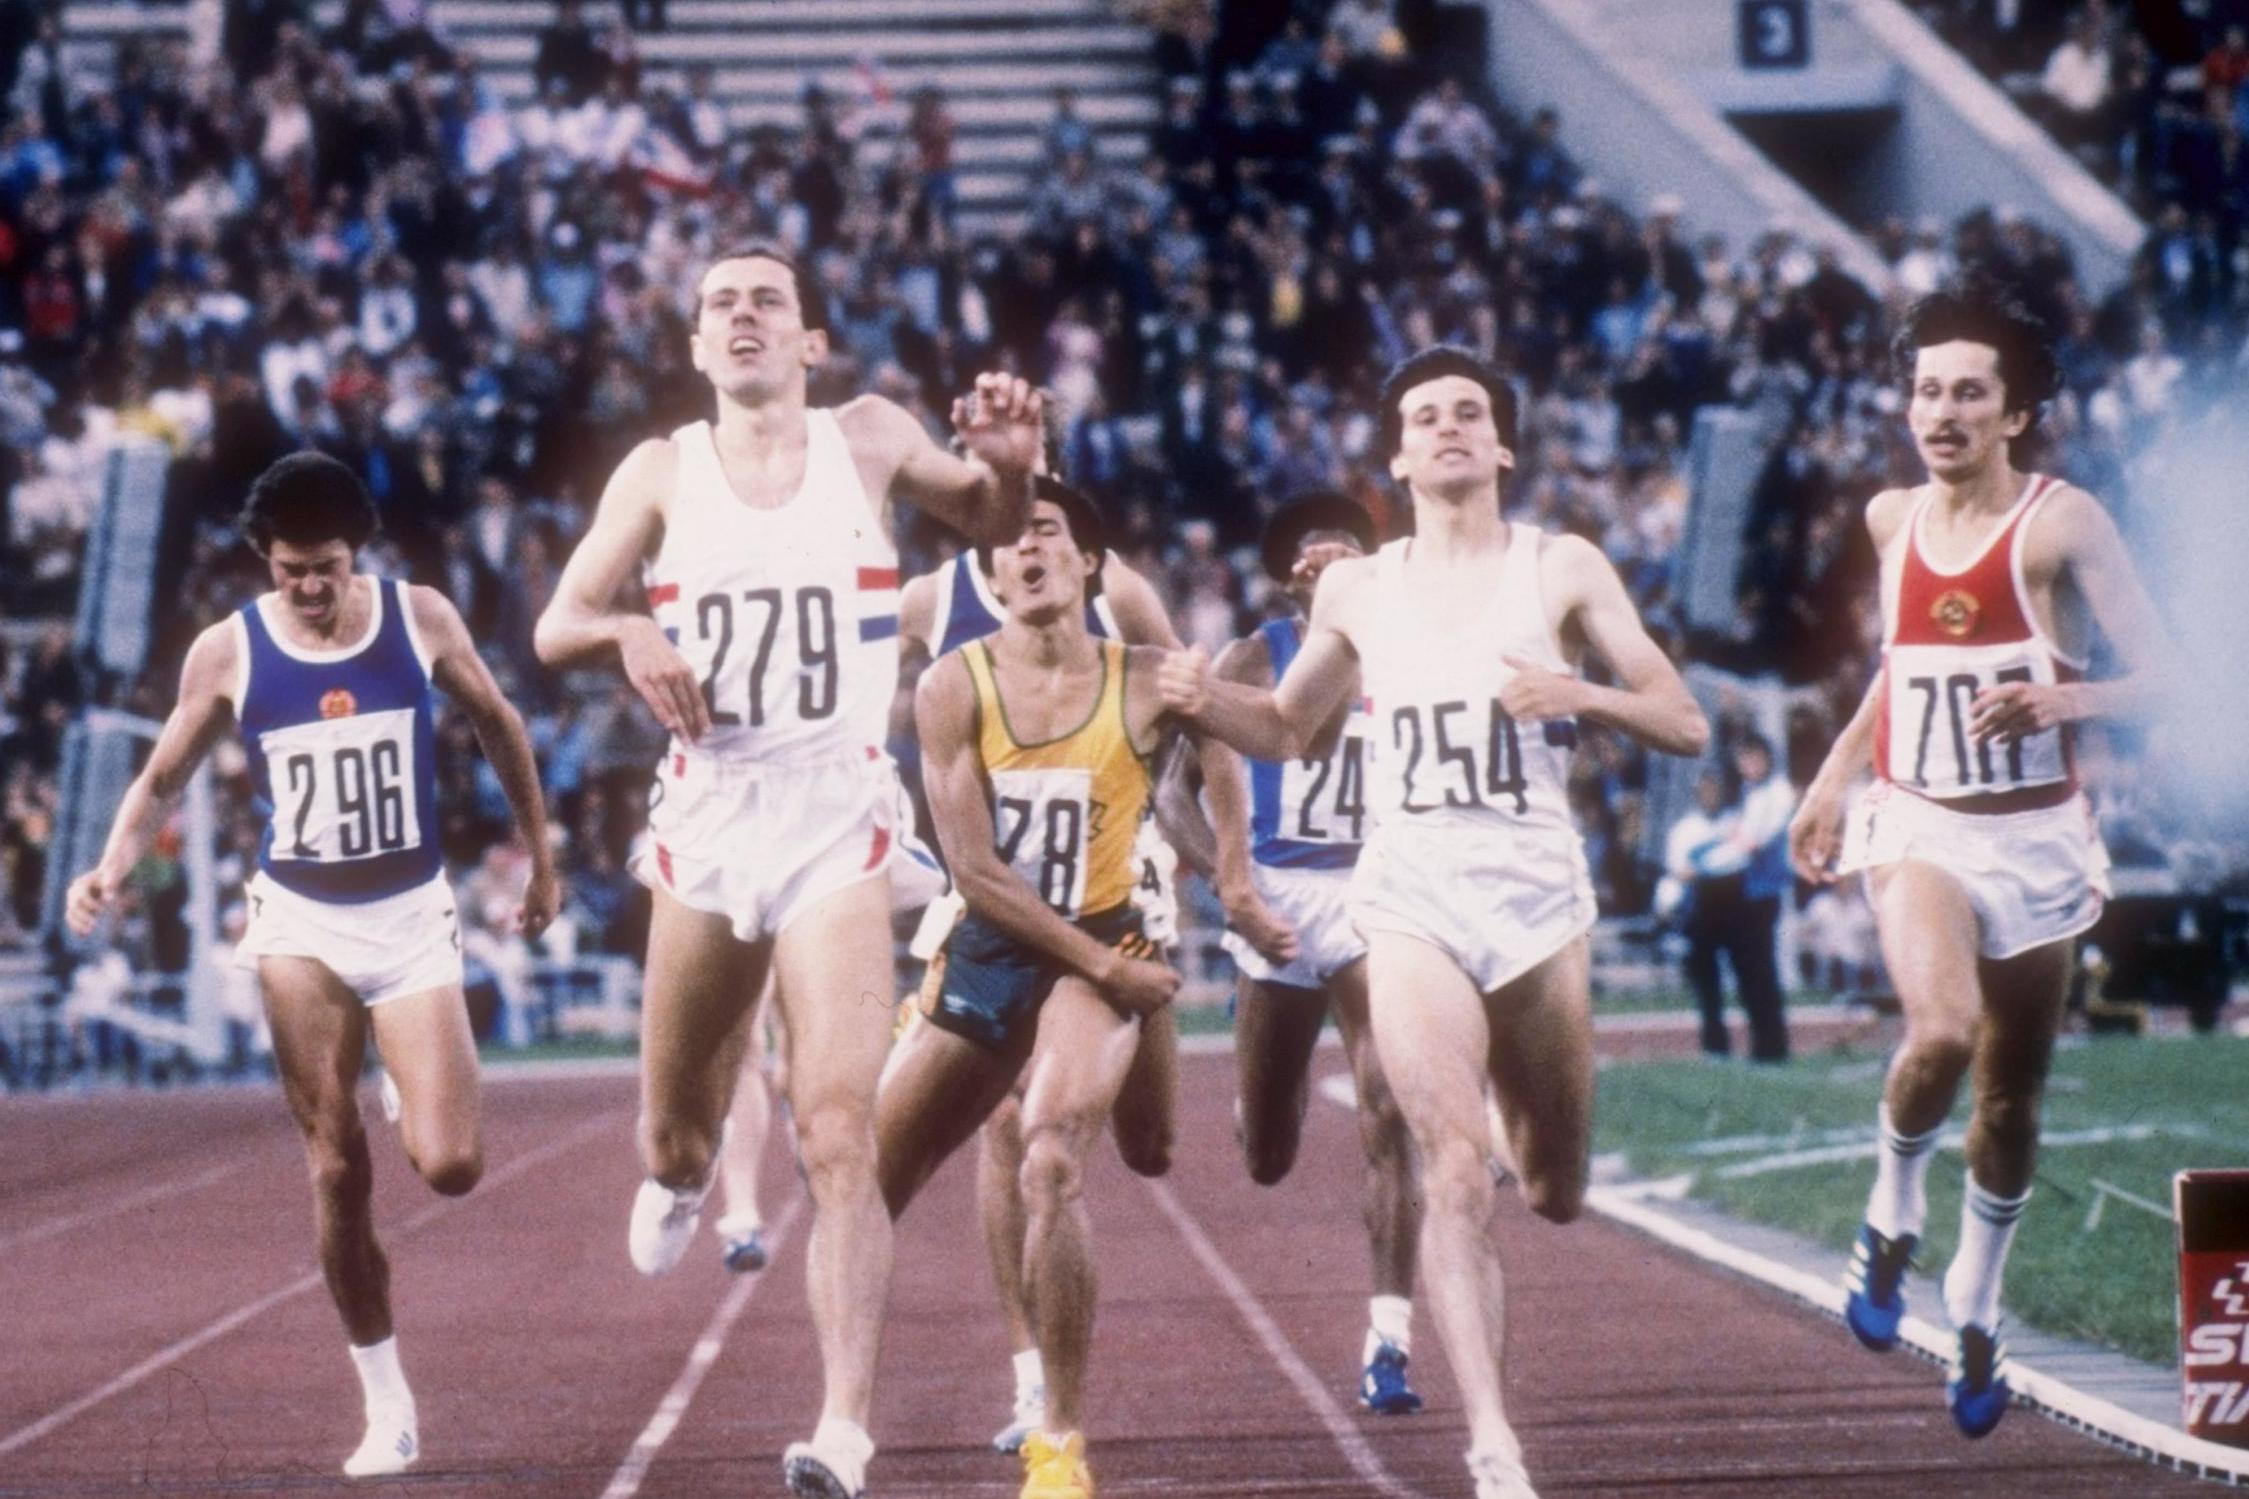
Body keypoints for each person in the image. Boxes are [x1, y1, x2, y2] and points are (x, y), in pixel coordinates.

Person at [532, 241, 1039, 1499]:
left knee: (835, 1127)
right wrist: (632, 625)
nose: (744, 316)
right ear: (696, 346)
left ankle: (843, 1429)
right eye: (721, 304)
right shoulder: (661, 470)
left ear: (809, 340)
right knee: (672, 1125)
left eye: (768, 300)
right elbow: (556, 624)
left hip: (835, 820)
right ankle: (683, 1171)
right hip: (709, 824)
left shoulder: (866, 436)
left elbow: (989, 518)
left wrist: (1016, 455)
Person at [1158, 346, 1708, 1499]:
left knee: (1550, 1184)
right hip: (1405, 890)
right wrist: (1194, 695)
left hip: (1533, 898)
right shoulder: (1359, 588)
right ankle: (1492, 1444)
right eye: (1425, 416)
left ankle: (1534, 1176)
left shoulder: (1559, 565)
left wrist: (1581, 695)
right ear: (1396, 455)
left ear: (1501, 445)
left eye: (1469, 413)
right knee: (1452, 1164)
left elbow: (1681, 719)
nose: (1448, 428)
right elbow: (1287, 729)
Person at [66, 451, 560, 1478]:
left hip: (411, 918)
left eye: (327, 565)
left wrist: (541, 859)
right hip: (300, 922)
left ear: (357, 552)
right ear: (265, 559)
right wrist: (109, 864)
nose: (310, 586)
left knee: (453, 1164)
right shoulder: (229, 650)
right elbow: (164, 772)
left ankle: (402, 1076)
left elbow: (499, 724)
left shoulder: (417, 617)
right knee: (334, 1163)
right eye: (291, 568)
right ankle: (386, 1400)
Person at [1789, 290, 2172, 1438]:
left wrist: (2065, 695)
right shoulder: (1888, 518)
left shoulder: (2062, 526)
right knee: (1940, 1032)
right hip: (1919, 824)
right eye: (1924, 390)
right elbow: (1898, 668)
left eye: (1967, 392)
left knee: (2008, 1096)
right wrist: (1829, 777)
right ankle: (1889, 1210)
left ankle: (1974, 1300)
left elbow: (2169, 676)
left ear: (2013, 415)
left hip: (2037, 838)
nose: (1940, 411)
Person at [874, 483, 1184, 1499]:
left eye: (1046, 522)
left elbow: (1214, 721)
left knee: (1136, 1147)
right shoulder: (934, 614)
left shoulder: (1127, 604)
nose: (1025, 543)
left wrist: (1214, 861)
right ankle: (888, 1414)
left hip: (1112, 912)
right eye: (1007, 528)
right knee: (882, 1166)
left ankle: (1056, 1431)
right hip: (990, 926)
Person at [1154, 490, 1426, 1414]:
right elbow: (1171, 799)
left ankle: (1388, 1336)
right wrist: (1229, 889)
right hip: (1274, 897)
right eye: (1312, 559)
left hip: (1369, 890)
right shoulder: (1248, 658)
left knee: (1387, 1099)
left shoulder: (1408, 645)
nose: (1330, 570)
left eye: (1346, 553)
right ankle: (1258, 1088)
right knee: (1266, 1154)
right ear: (1290, 579)